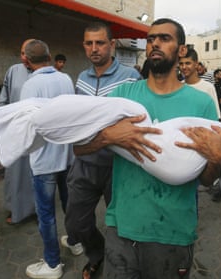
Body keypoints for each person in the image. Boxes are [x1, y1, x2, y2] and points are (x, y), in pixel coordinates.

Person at [72, 18, 221, 279]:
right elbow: (79, 147)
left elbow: (206, 179)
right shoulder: (122, 95)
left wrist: (218, 160)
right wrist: (110, 136)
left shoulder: (201, 104)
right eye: (150, 38)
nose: (154, 43)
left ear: (181, 50)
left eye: (164, 38)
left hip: (173, 233)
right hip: (121, 228)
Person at [60, 21, 141, 278]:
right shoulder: (82, 79)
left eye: (100, 42)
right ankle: (97, 254)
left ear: (112, 44)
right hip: (84, 162)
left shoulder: (131, 77)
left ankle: (121, 266)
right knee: (75, 223)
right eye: (89, 43)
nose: (94, 48)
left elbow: (138, 120)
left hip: (118, 166)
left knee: (121, 225)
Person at [19, 39, 79, 279]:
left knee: (46, 214)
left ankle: (53, 264)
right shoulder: (65, 78)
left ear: (26, 59)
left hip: (43, 161)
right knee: (69, 205)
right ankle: (75, 242)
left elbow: (28, 124)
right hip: (67, 155)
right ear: (50, 55)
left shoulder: (30, 85)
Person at [0, 39, 35, 225]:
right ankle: (16, 210)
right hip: (15, 131)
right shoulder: (13, 71)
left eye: (28, 53)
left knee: (35, 173)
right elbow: (3, 99)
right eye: (22, 53)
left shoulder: (44, 73)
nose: (24, 57)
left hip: (37, 134)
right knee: (15, 173)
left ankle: (36, 210)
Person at [179, 48, 221, 120]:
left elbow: (216, 117)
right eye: (181, 64)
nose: (184, 67)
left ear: (196, 64)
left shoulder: (208, 87)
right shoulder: (178, 87)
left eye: (188, 63)